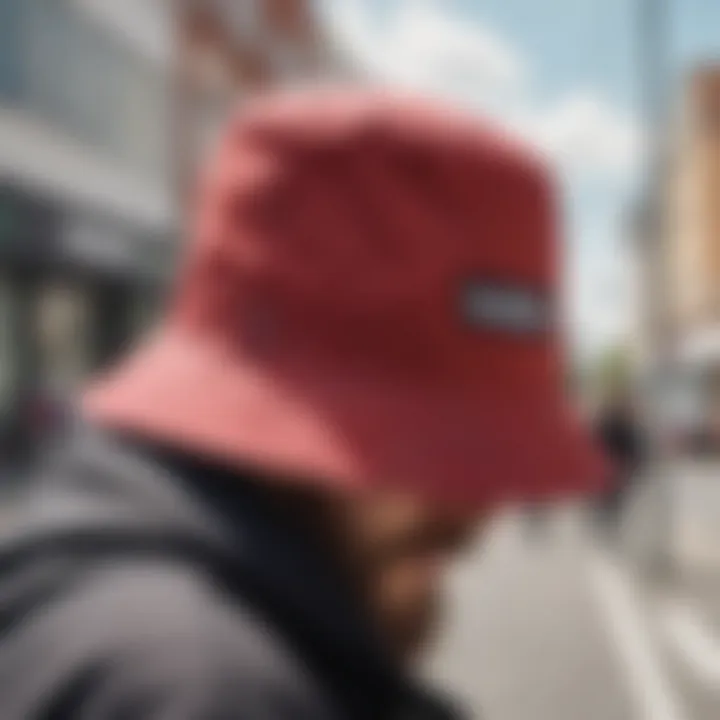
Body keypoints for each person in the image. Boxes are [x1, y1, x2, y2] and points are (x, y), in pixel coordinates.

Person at [0, 89, 606, 719]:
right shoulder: (210, 691)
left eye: (492, 449)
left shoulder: (107, 597)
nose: (479, 507)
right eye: (428, 444)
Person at [594, 394, 645, 536]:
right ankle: (607, 525)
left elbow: (635, 451)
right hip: (612, 468)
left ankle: (608, 525)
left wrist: (632, 468)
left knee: (614, 500)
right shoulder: (613, 425)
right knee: (611, 499)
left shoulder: (627, 426)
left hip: (619, 469)